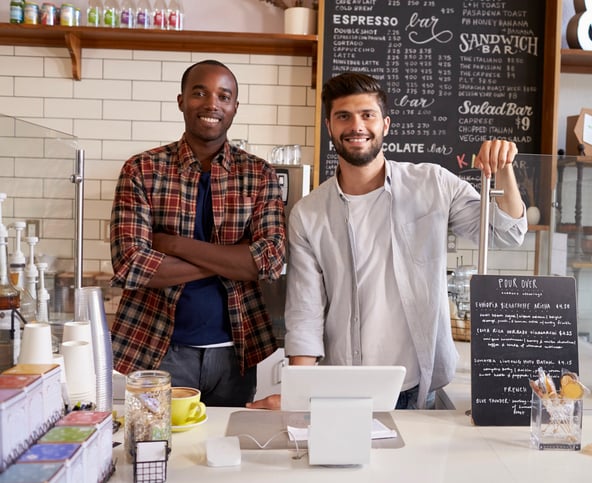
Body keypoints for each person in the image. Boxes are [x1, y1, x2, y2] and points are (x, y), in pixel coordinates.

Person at [248, 72, 527, 411]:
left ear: (386, 124)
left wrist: (504, 169)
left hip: (418, 387)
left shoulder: (433, 183)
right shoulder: (308, 213)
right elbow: (305, 313)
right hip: (344, 387)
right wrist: (297, 395)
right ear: (329, 126)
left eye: (367, 115)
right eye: (344, 116)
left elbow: (508, 233)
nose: (357, 125)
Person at [109, 59, 286, 407]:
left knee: (224, 451)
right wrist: (234, 257)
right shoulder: (142, 169)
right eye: (200, 93)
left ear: (235, 107)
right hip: (158, 348)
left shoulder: (259, 174)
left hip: (235, 353)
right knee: (157, 451)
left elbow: (268, 260)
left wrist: (172, 244)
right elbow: (130, 264)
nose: (211, 104)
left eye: (224, 96)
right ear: (181, 101)